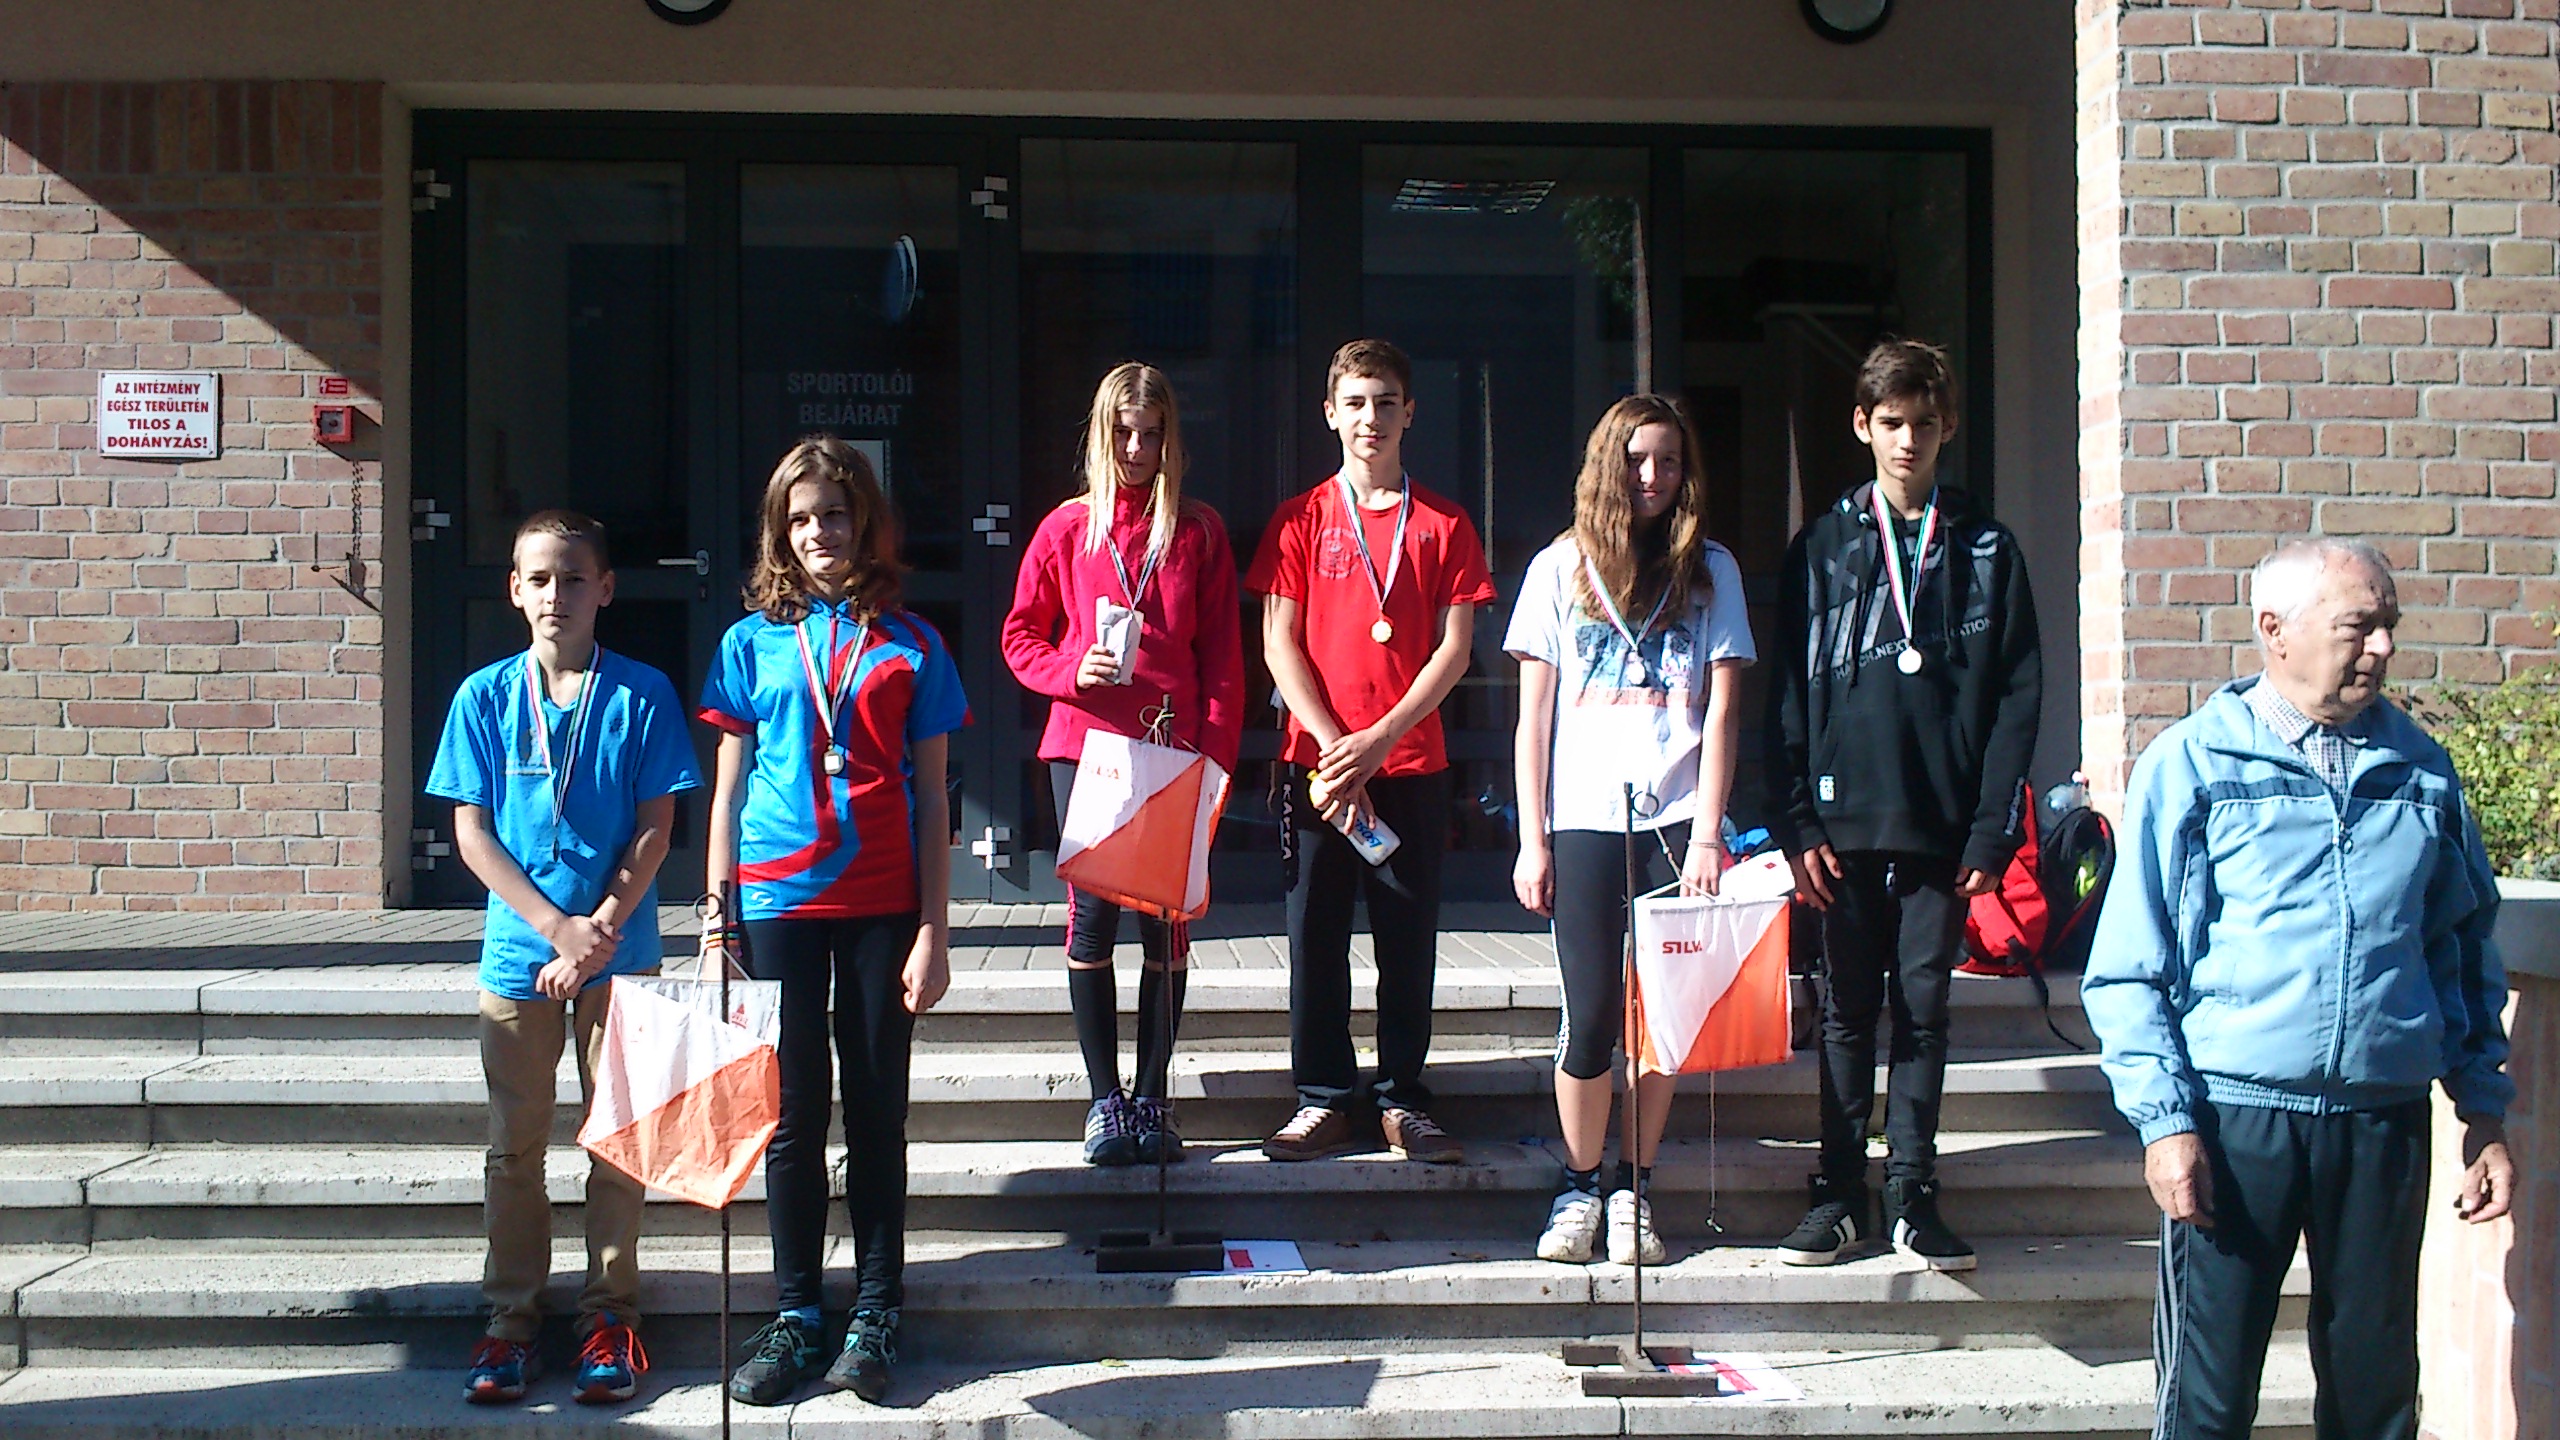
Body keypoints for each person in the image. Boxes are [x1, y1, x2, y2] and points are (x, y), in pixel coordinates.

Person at [2083, 539, 2514, 1440]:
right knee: (2207, 1401)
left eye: (2389, 626)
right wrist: (2165, 1124)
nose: (2382, 648)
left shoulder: (2422, 772)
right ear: (2274, 632)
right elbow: (2129, 965)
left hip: (2382, 1123)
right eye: (2360, 626)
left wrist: (2482, 1111)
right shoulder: (2194, 764)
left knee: (2375, 1399)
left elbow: (2461, 949)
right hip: (2234, 1125)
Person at [695, 437, 968, 1407]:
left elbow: (934, 800)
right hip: (776, 905)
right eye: (802, 518)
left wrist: (935, 931)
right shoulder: (749, 643)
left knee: (878, 1114)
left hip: (883, 906)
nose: (821, 533)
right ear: (781, 529)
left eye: (837, 514)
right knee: (791, 1116)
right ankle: (798, 1312)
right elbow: (726, 794)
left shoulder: (913, 643)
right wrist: (715, 924)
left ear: (867, 523)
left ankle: (877, 1309)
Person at [1763, 338, 2040, 1271]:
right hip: (1840, 827)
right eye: (1892, 422)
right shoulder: (1821, 549)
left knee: (1924, 1009)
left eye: (1924, 422)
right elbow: (1785, 695)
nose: (1908, 439)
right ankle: (1839, 1192)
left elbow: (2018, 698)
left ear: (1948, 426)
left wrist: (1992, 828)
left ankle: (1913, 1193)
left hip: (1942, 826)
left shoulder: (1990, 550)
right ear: (1862, 426)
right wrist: (1795, 822)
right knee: (1846, 1010)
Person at [425, 510, 702, 1407]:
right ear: (515, 589)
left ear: (605, 588)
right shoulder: (483, 698)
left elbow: (657, 825)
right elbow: (472, 833)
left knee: (620, 1142)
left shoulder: (641, 694)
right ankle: (511, 1322)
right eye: (539, 579)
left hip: (621, 952)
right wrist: (556, 928)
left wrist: (601, 927)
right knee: (514, 1149)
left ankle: (609, 1317)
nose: (557, 595)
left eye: (574, 578)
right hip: (520, 955)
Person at [1507, 396, 1754, 1266]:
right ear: (1608, 466)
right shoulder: (1559, 566)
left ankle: (1633, 1189)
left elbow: (1721, 711)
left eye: (1670, 461)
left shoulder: (1711, 568)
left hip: (1674, 821)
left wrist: (1709, 833)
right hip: (1582, 819)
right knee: (1590, 1018)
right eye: (1638, 459)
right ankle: (1578, 1187)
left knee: (1660, 1020)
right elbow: (1533, 720)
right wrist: (1532, 837)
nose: (1654, 477)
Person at [1247, 337, 1497, 1165]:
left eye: (1386, 402)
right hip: (1318, 770)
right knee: (1315, 938)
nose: (1371, 419)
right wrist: (1335, 750)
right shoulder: (1300, 518)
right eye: (1355, 403)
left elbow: (1454, 651)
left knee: (1406, 941)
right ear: (1330, 413)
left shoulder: (1444, 524)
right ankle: (1322, 1098)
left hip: (1410, 766)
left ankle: (1401, 1099)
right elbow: (1278, 642)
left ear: (1410, 412)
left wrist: (1379, 739)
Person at [1002, 362, 1245, 1167]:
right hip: (1085, 748)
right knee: (1093, 921)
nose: (1137, 449)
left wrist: (1216, 761)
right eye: (1123, 433)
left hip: (1171, 746)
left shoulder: (1198, 531)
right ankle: (1105, 1100)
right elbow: (1019, 636)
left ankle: (1153, 1098)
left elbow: (1222, 659)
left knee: (1166, 924)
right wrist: (1072, 670)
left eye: (1152, 434)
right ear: (1100, 436)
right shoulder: (1066, 528)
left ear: (1172, 439)